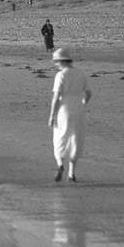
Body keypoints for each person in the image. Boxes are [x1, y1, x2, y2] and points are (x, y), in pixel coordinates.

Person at [47, 46, 91, 182]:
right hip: (78, 109)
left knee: (60, 137)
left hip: (64, 109)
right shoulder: (81, 73)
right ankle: (72, 173)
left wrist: (51, 115)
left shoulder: (61, 75)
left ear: (61, 61)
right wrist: (83, 103)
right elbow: (88, 93)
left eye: (56, 62)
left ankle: (60, 164)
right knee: (76, 139)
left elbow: (56, 97)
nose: (55, 64)